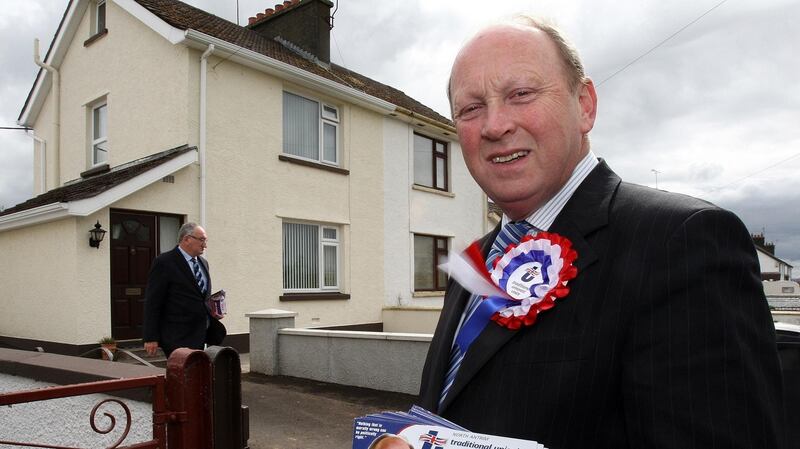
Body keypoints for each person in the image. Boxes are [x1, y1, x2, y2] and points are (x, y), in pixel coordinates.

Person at [417, 15, 785, 449]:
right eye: (471, 108)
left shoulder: (683, 241)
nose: (494, 126)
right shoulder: (472, 265)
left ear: (585, 105)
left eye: (521, 94)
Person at [143, 222, 225, 357]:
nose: (205, 245)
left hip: (201, 333)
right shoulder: (164, 262)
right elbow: (153, 302)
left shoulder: (203, 263)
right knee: (181, 374)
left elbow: (201, 297)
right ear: (187, 239)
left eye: (205, 240)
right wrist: (150, 337)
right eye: (202, 240)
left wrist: (213, 311)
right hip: (176, 336)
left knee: (197, 374)